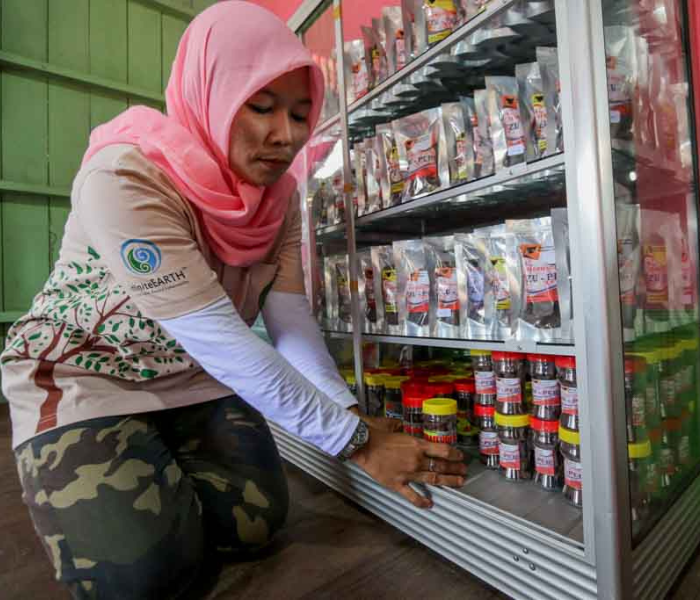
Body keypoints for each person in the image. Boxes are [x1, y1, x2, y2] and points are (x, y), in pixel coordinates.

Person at [0, 3, 467, 598]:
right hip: (92, 377)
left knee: (257, 524)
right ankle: (80, 464)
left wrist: (347, 415)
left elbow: (290, 325)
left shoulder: (279, 198)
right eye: (261, 107)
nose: (286, 136)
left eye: (301, 114)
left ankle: (152, 459)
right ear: (211, 95)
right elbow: (220, 336)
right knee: (141, 578)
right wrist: (360, 444)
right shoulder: (126, 178)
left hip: (194, 378)